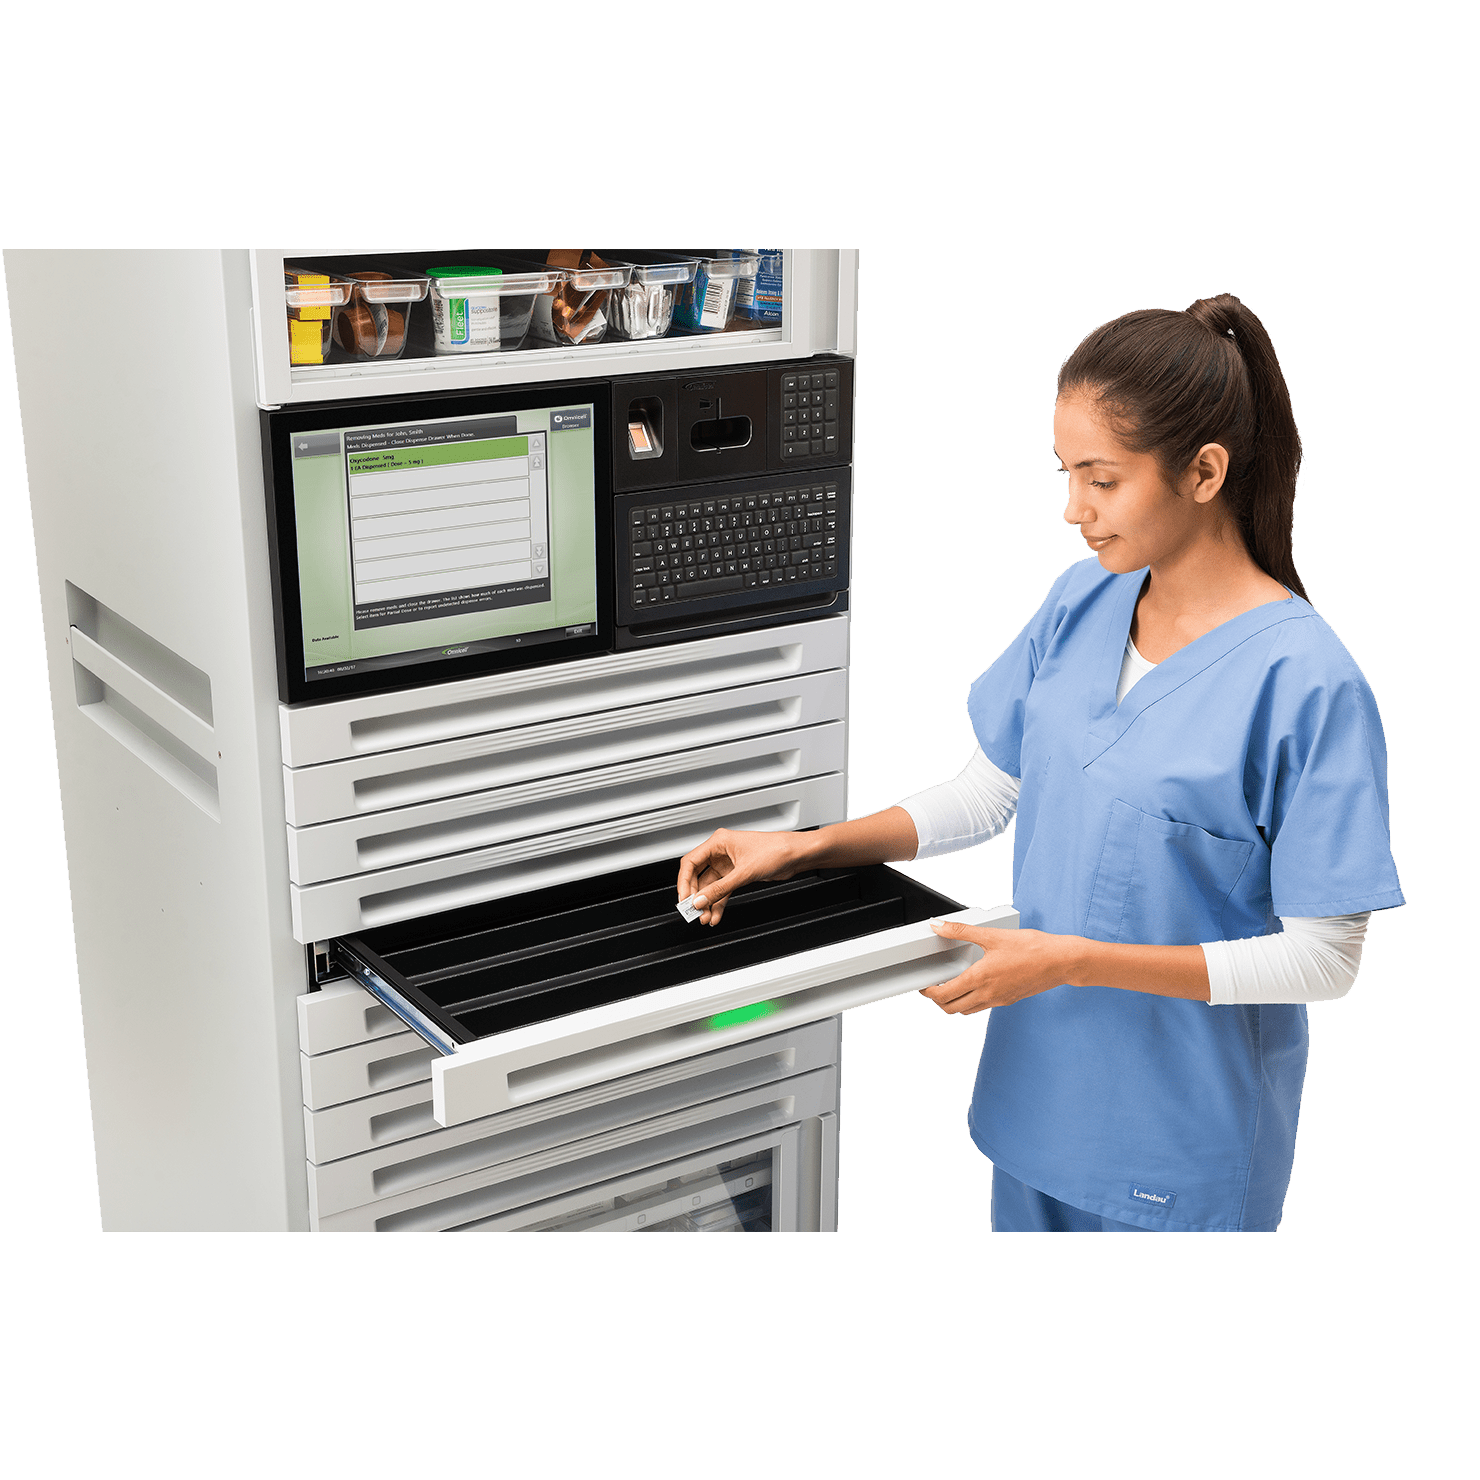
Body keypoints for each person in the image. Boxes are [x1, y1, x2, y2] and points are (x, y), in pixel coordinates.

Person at [675, 293, 1405, 1233]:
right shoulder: (1083, 600)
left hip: (1182, 1139)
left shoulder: (1306, 684)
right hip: (1041, 1100)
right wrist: (805, 848)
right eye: (1065, 475)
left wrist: (1073, 960)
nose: (1072, 510)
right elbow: (991, 793)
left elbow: (1324, 958)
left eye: (1101, 479)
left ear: (1205, 471)